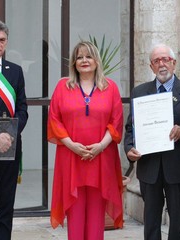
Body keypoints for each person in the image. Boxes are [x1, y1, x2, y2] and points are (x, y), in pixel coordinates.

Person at [124, 43, 180, 240]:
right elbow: (130, 128)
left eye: (166, 60)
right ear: (151, 66)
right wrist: (129, 148)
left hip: (177, 165)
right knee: (151, 218)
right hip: (149, 166)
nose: (162, 64)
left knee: (178, 217)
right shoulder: (139, 92)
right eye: (156, 61)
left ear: (174, 63)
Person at [48, 41, 123, 240]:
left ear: (97, 61)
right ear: (74, 62)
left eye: (88, 56)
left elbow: (116, 121)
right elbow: (54, 119)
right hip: (71, 157)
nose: (84, 61)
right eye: (79, 57)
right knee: (76, 210)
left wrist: (101, 146)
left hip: (101, 157)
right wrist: (72, 145)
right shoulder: (63, 87)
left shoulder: (111, 87)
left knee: (96, 214)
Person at [0, 20, 28, 240]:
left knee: (6, 204)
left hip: (9, 147)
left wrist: (9, 136)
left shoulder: (14, 71)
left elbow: (23, 107)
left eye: (2, 40)